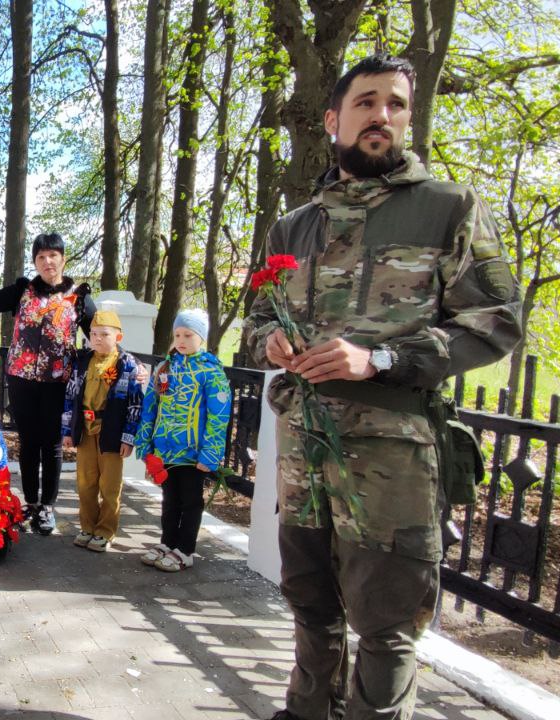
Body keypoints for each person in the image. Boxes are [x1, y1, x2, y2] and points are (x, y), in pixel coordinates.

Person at [243, 55, 522, 720]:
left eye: (396, 104)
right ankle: (307, 711)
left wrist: (382, 361)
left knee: (386, 621)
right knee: (309, 602)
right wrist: (270, 344)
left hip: (392, 454)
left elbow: (498, 322)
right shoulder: (296, 225)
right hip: (305, 450)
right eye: (366, 103)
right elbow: (256, 318)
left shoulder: (447, 208)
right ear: (335, 120)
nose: (383, 117)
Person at [0, 233, 95, 535]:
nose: (47, 262)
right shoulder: (23, 291)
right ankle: (30, 503)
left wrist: (128, 366)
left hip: (58, 383)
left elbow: (101, 335)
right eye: (41, 257)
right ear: (35, 261)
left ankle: (47, 507)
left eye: (52, 256)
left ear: (63, 259)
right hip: (21, 380)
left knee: (52, 445)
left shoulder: (77, 297)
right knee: (29, 444)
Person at [134, 309, 231, 572]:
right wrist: (145, 443)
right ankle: (168, 542)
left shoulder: (211, 372)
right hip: (165, 451)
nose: (181, 340)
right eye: (178, 334)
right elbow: (150, 408)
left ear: (201, 337)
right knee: (169, 499)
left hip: (193, 453)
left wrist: (210, 453)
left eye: (188, 334)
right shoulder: (167, 368)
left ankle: (186, 549)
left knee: (190, 501)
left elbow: (218, 416)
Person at [60, 310, 145, 553]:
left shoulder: (127, 364)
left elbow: (134, 403)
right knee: (85, 482)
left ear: (118, 337)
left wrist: (128, 437)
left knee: (109, 485)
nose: (97, 339)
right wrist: (67, 430)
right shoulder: (83, 362)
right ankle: (87, 527)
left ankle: (106, 531)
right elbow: (70, 396)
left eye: (104, 334)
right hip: (85, 431)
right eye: (93, 334)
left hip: (112, 432)